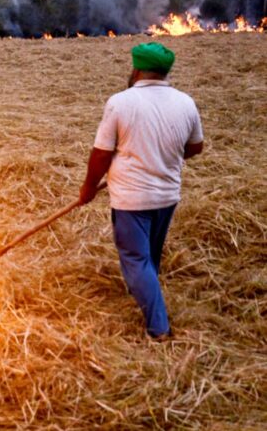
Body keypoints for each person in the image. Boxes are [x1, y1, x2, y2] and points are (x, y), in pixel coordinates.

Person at [79, 42, 204, 341]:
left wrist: (87, 188)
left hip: (132, 198)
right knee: (149, 254)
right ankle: (145, 289)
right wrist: (164, 157)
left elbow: (100, 154)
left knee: (135, 259)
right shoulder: (185, 102)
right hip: (167, 196)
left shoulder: (121, 102)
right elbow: (196, 146)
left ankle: (158, 327)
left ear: (136, 69)